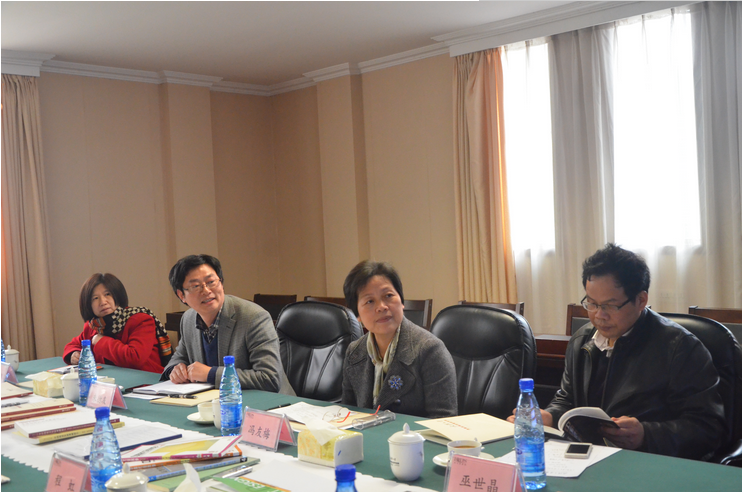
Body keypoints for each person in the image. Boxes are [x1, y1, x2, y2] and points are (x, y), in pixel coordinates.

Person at [508, 244, 726, 460]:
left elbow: (708, 428)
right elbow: (567, 400)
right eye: (592, 304)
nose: (599, 315)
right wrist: (549, 416)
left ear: (641, 300)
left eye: (610, 306)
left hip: (649, 463)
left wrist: (646, 434)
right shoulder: (582, 340)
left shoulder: (679, 348)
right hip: (590, 459)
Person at [161, 254, 293, 394]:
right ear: (182, 295)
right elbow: (180, 356)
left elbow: (269, 378)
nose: (206, 291)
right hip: (215, 400)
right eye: (195, 286)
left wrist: (211, 374)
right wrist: (175, 369)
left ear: (221, 283)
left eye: (211, 282)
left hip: (269, 403)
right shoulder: (188, 319)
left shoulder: (254, 317)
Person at [341, 260, 457, 418]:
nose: (382, 306)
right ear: (357, 316)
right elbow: (348, 414)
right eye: (370, 301)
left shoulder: (430, 350)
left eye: (388, 296)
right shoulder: (354, 352)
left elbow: (444, 421)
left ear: (402, 302)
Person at [63, 273, 171, 373]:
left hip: (146, 382)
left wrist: (102, 342)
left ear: (117, 296)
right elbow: (72, 345)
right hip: (109, 381)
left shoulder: (141, 320)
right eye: (95, 298)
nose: (103, 302)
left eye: (107, 294)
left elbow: (135, 358)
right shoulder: (93, 326)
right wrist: (74, 354)